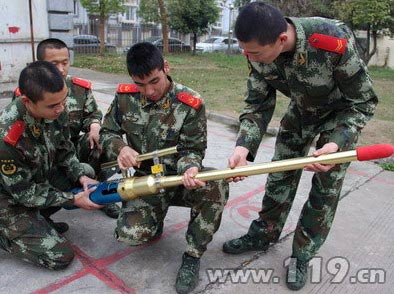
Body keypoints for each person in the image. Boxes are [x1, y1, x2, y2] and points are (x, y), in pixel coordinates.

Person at [222, 2, 378, 291]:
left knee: (325, 189)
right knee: (279, 176)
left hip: (339, 117)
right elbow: (257, 104)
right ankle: (263, 233)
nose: (248, 56)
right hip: (301, 112)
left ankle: (303, 255)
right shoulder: (256, 51)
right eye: (245, 50)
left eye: (254, 52)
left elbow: (363, 102)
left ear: (281, 39)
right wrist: (243, 147)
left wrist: (337, 143)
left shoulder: (331, 41)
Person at [100, 42, 229, 294]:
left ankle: (193, 255)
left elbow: (193, 149)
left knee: (215, 186)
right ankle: (154, 219)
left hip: (179, 180)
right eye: (140, 84)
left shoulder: (190, 104)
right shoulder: (125, 98)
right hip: (145, 182)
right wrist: (120, 148)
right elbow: (108, 131)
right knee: (130, 235)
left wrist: (190, 168)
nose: (148, 91)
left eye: (154, 81)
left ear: (166, 68)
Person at [0, 61, 103, 269]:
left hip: (36, 178)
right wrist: (73, 199)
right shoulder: (8, 138)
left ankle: (38, 220)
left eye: (63, 101)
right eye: (53, 106)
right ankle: (6, 233)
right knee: (60, 256)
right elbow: (23, 193)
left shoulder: (56, 106)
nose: (61, 109)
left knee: (86, 171)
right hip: (9, 198)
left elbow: (64, 149)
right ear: (27, 102)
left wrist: (81, 177)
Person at [13, 38, 120, 219]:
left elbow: (90, 116)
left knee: (102, 142)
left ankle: (98, 194)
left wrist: (95, 126)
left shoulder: (77, 89)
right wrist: (71, 198)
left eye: (65, 62)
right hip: (40, 159)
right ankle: (42, 216)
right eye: (54, 64)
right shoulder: (29, 96)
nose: (61, 70)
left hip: (65, 148)